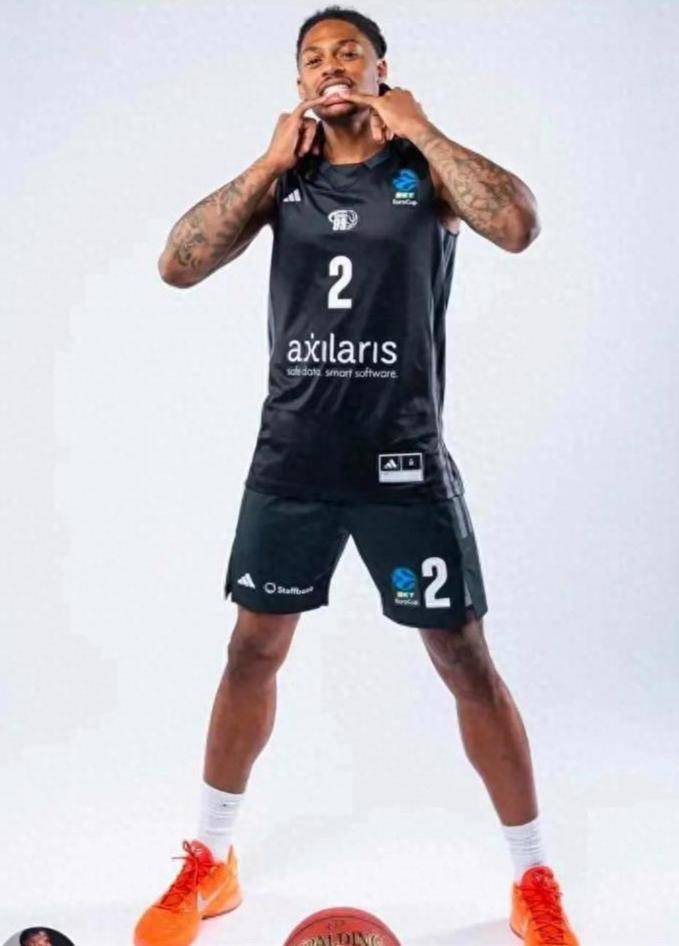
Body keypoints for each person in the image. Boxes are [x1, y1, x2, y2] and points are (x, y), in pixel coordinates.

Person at [134, 7, 579, 946]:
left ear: (381, 68)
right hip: (293, 458)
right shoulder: (285, 178)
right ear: (297, 81)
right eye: (312, 57)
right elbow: (176, 265)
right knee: (251, 652)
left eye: (348, 53)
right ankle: (211, 860)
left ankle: (533, 877)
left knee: (464, 661)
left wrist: (419, 125)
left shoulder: (425, 170)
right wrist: (266, 163)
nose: (329, 66)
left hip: (403, 461)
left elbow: (516, 225)